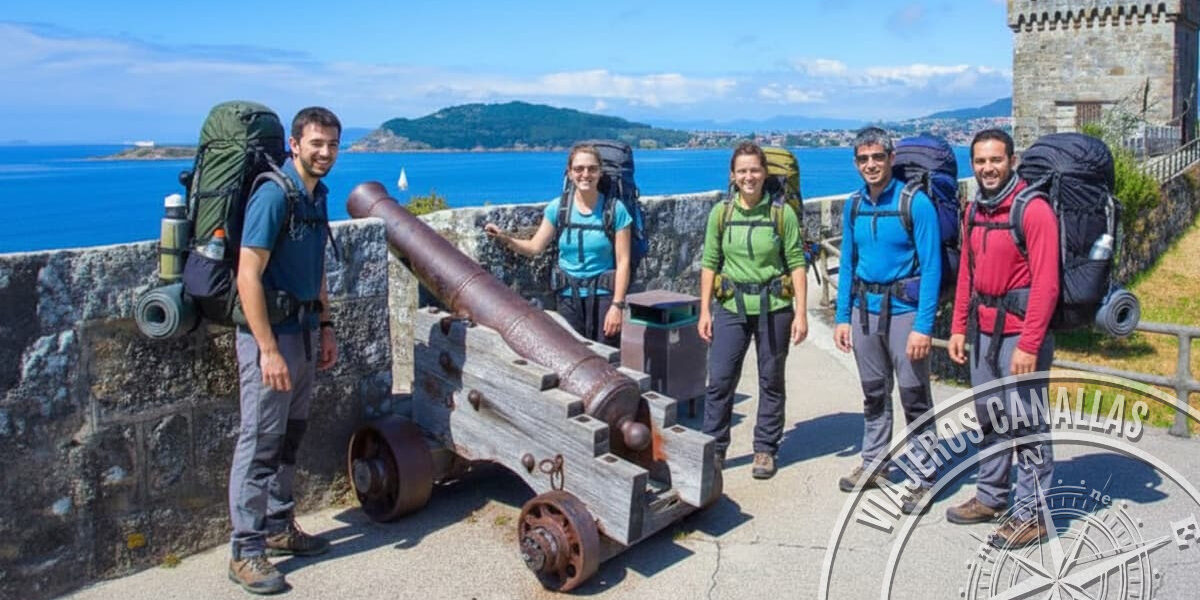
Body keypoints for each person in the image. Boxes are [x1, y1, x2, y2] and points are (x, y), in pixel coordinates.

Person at [228, 107, 341, 594]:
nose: (325, 153)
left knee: (290, 436)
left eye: (332, 145)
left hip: (305, 328)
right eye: (316, 143)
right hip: (271, 336)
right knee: (260, 440)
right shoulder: (275, 195)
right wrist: (267, 350)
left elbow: (315, 267)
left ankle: (278, 525)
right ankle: (246, 550)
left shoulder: (315, 197)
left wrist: (328, 323)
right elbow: (247, 274)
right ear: (295, 144)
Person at [945, 128, 1058, 550]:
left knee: (1028, 425)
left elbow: (1046, 283)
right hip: (983, 332)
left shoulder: (1033, 210)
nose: (987, 168)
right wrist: (958, 327)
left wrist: (1029, 344)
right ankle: (992, 496)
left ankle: (1035, 514)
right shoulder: (975, 209)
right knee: (991, 418)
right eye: (980, 161)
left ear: (1012, 160)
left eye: (995, 160)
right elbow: (968, 277)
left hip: (1018, 335)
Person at [832, 127, 941, 513]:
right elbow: (847, 263)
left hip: (905, 314)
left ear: (891, 158)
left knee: (914, 396)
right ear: (856, 163)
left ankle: (926, 475)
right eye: (863, 159)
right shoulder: (854, 205)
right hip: (864, 312)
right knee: (874, 394)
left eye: (877, 157)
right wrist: (841, 316)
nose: (871, 165)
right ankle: (875, 461)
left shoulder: (917, 203)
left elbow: (932, 268)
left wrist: (924, 326)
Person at [698, 141, 808, 480]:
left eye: (755, 170)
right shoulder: (722, 213)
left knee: (770, 379)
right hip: (731, 306)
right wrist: (704, 310)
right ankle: (714, 449)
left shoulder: (780, 213)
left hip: (774, 307)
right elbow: (710, 262)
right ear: (732, 176)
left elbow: (795, 262)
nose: (749, 177)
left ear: (765, 173)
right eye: (742, 170)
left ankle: (765, 449)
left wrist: (801, 312)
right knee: (719, 380)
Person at [484, 144, 632, 346]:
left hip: (604, 298)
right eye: (579, 169)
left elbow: (624, 262)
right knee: (571, 353)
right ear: (570, 173)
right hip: (568, 297)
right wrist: (505, 238)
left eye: (592, 169)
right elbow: (535, 247)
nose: (585, 174)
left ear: (600, 172)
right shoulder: (558, 208)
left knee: (607, 355)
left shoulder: (615, 210)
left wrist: (618, 305)